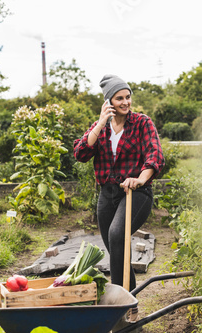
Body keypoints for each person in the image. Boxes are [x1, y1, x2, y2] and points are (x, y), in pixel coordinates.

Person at [73, 74, 165, 292]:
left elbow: (155, 154)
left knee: (117, 235)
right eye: (119, 98)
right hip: (107, 194)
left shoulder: (142, 122)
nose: (125, 102)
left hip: (136, 192)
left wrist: (139, 179)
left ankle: (119, 302)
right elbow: (80, 153)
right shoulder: (100, 127)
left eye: (127, 97)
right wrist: (101, 123)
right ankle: (129, 302)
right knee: (116, 249)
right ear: (108, 103)